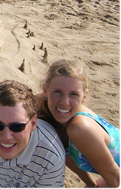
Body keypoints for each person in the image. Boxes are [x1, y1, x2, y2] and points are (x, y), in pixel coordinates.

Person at [38, 59, 121, 189]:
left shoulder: (80, 129)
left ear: (84, 96)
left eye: (73, 94)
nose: (64, 102)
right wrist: (91, 184)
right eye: (58, 92)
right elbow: (67, 154)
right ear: (45, 90)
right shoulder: (42, 106)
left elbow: (116, 178)